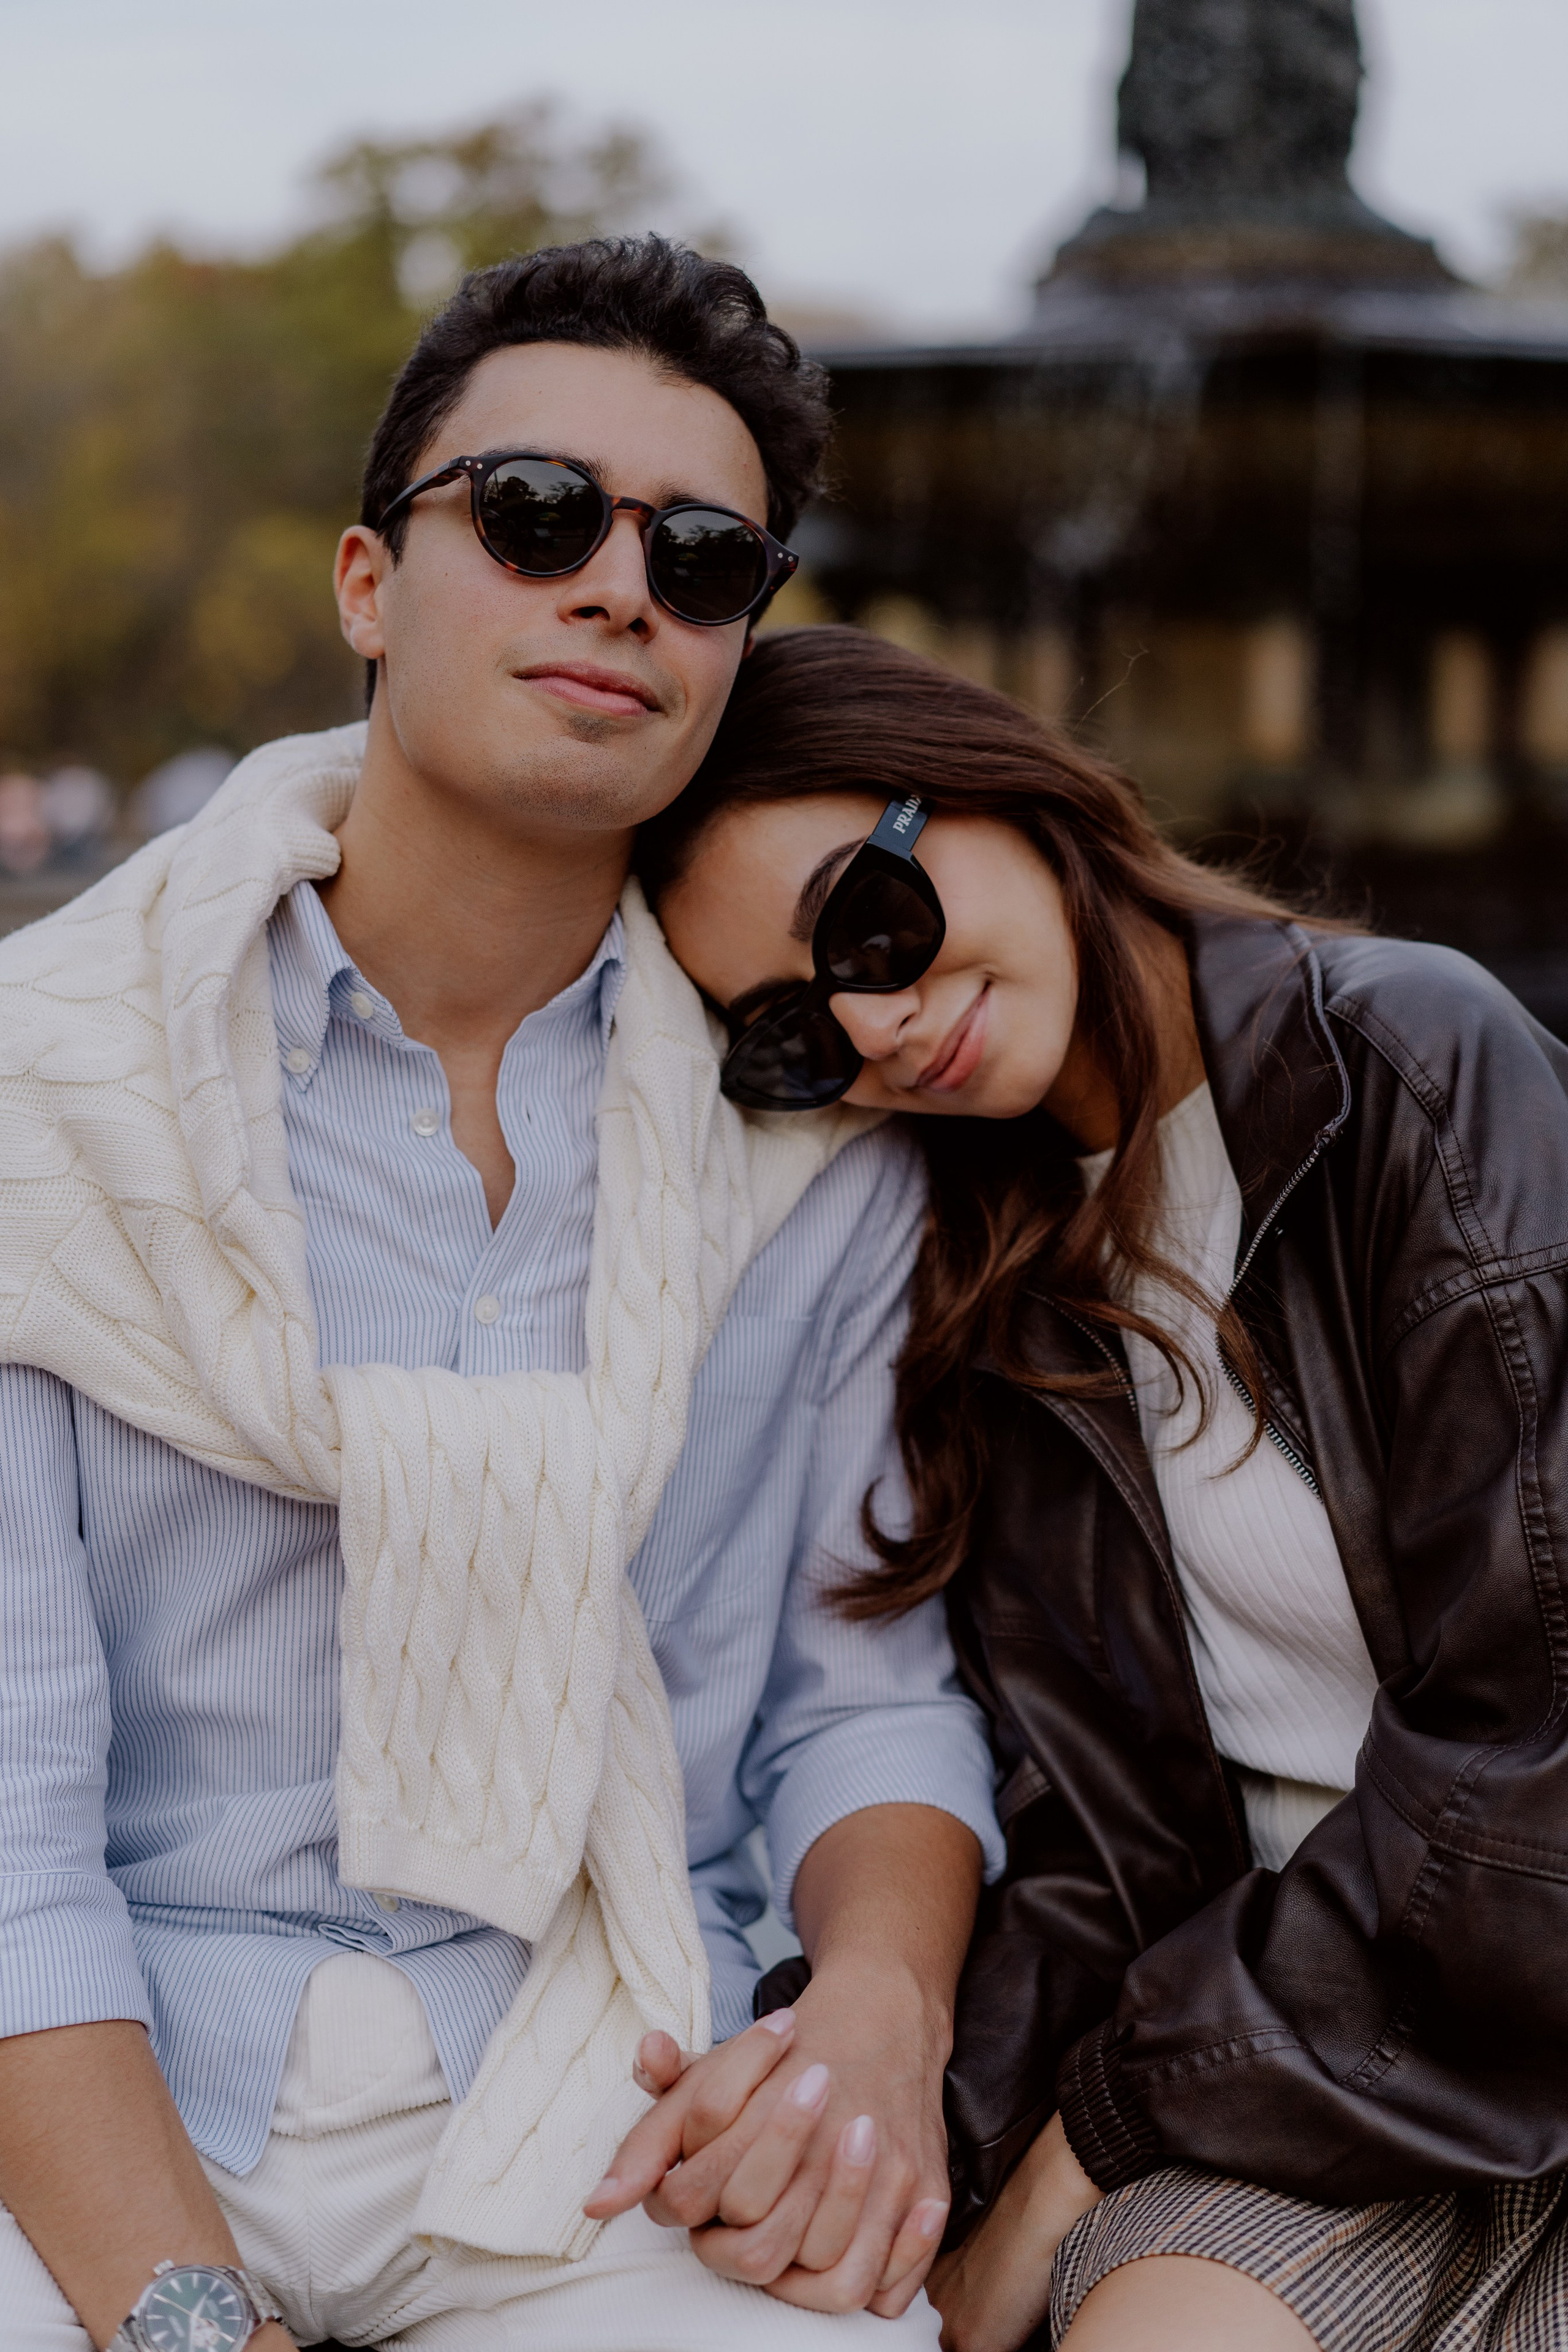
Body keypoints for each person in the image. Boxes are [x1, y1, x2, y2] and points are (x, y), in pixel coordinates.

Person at [0, 250, 1005, 2352]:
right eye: (541, 515)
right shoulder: (48, 1097)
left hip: (599, 2085)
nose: (623, 589)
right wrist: (185, 2318)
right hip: (98, 2088)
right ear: (370, 584)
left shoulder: (807, 1149)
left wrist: (881, 2012)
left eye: (703, 560)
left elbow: (860, 1694)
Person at [641, 622, 1568, 2352]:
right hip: (1300, 2087)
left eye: (866, 922)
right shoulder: (979, 1277)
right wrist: (870, 2119)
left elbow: (1538, 1748)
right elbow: (1092, 1836)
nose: (875, 1021)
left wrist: (1093, 2141)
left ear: (990, 785)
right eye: (788, 1034)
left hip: (1470, 2007)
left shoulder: (1404, 1069)